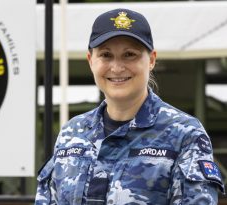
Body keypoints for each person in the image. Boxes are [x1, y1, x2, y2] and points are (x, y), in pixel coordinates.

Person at [35, 8, 225, 205]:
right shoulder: (71, 134)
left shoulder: (185, 135)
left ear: (151, 60)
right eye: (106, 55)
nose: (117, 67)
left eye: (130, 54)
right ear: (91, 61)